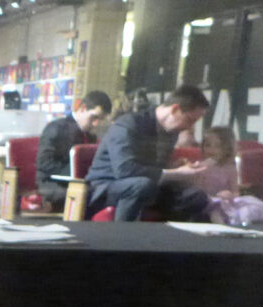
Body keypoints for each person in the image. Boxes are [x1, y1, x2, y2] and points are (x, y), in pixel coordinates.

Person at [85, 84, 211, 221]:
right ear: (175, 109)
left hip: (147, 185)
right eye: (190, 120)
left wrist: (174, 167)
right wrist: (176, 173)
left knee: (196, 196)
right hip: (107, 186)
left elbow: (154, 168)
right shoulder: (129, 124)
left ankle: (172, 238)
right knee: (142, 185)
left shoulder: (171, 132)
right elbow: (124, 170)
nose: (189, 127)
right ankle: (121, 236)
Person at [35, 90, 113, 211]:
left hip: (78, 183)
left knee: (109, 191)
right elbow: (44, 163)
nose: (96, 124)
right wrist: (74, 172)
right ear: (83, 108)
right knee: (96, 195)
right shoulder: (56, 128)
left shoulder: (90, 135)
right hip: (52, 184)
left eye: (100, 120)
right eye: (94, 117)